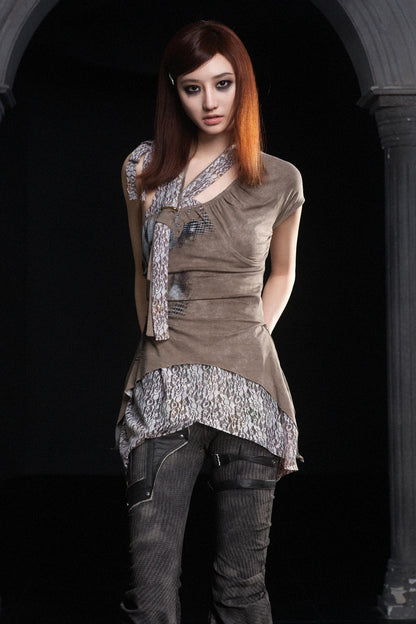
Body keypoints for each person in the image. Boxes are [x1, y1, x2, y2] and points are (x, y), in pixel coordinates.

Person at [116, 20, 304, 624]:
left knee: (241, 590)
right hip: (164, 387)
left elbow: (282, 273)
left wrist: (248, 336)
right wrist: (159, 348)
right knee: (152, 593)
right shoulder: (143, 169)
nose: (210, 101)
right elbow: (142, 273)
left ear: (242, 85)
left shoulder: (280, 178)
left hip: (250, 391)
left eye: (223, 84)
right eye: (193, 87)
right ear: (174, 90)